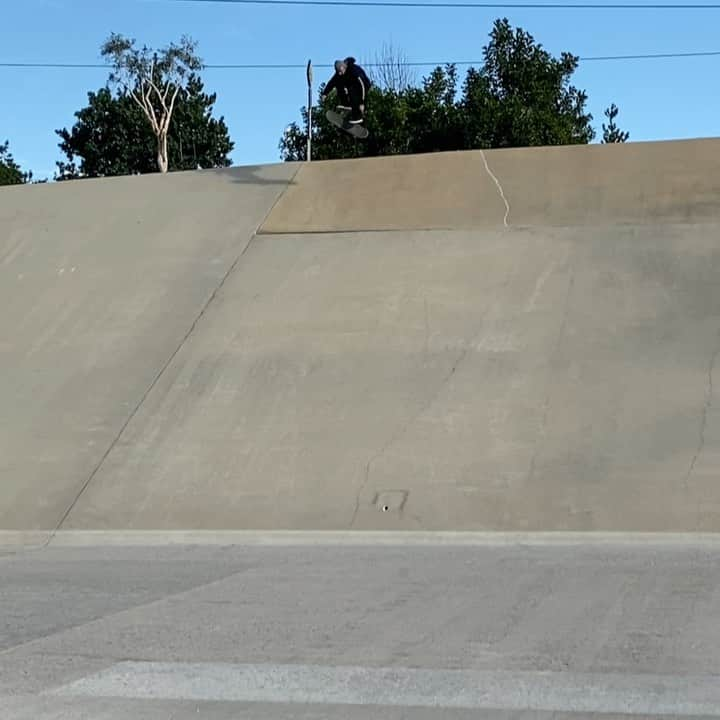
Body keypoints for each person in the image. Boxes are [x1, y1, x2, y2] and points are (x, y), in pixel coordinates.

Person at [321, 57, 372, 124]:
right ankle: (346, 105)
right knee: (338, 83)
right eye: (338, 72)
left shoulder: (353, 70)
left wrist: (362, 103)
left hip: (363, 85)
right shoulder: (339, 74)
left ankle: (358, 116)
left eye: (340, 72)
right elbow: (332, 83)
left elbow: (362, 85)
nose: (340, 74)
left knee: (352, 90)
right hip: (353, 86)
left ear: (343, 67)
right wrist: (325, 93)